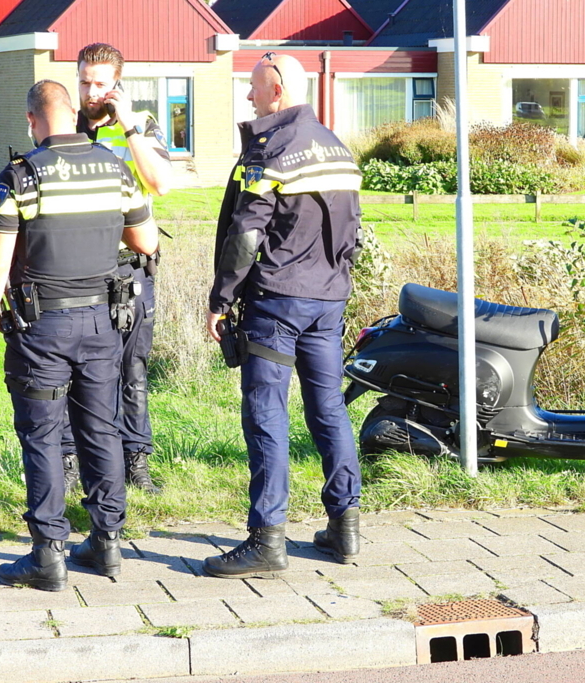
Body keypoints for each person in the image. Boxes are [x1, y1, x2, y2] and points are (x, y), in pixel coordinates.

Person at [0, 79, 158, 591]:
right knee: (103, 430)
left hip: (40, 327)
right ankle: (107, 543)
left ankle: (48, 555)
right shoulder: (114, 168)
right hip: (103, 323)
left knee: (44, 436)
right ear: (72, 115)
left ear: (32, 120)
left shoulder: (20, 176)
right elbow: (145, 238)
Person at [203, 53, 364, 579]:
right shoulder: (339, 148)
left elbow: (247, 234)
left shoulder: (268, 153)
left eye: (252, 88)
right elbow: (353, 233)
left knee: (265, 415)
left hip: (277, 303)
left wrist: (221, 298)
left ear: (275, 89)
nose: (249, 98)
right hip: (327, 300)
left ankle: (266, 540)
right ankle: (345, 527)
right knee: (329, 410)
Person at [61, 42, 173, 495]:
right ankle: (69, 462)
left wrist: (128, 127)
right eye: (85, 81)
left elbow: (161, 183)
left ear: (118, 85)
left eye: (101, 84)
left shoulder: (142, 125)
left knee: (133, 370)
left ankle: (136, 461)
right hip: (72, 268)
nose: (91, 91)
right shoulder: (62, 125)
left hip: (129, 269)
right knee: (69, 371)